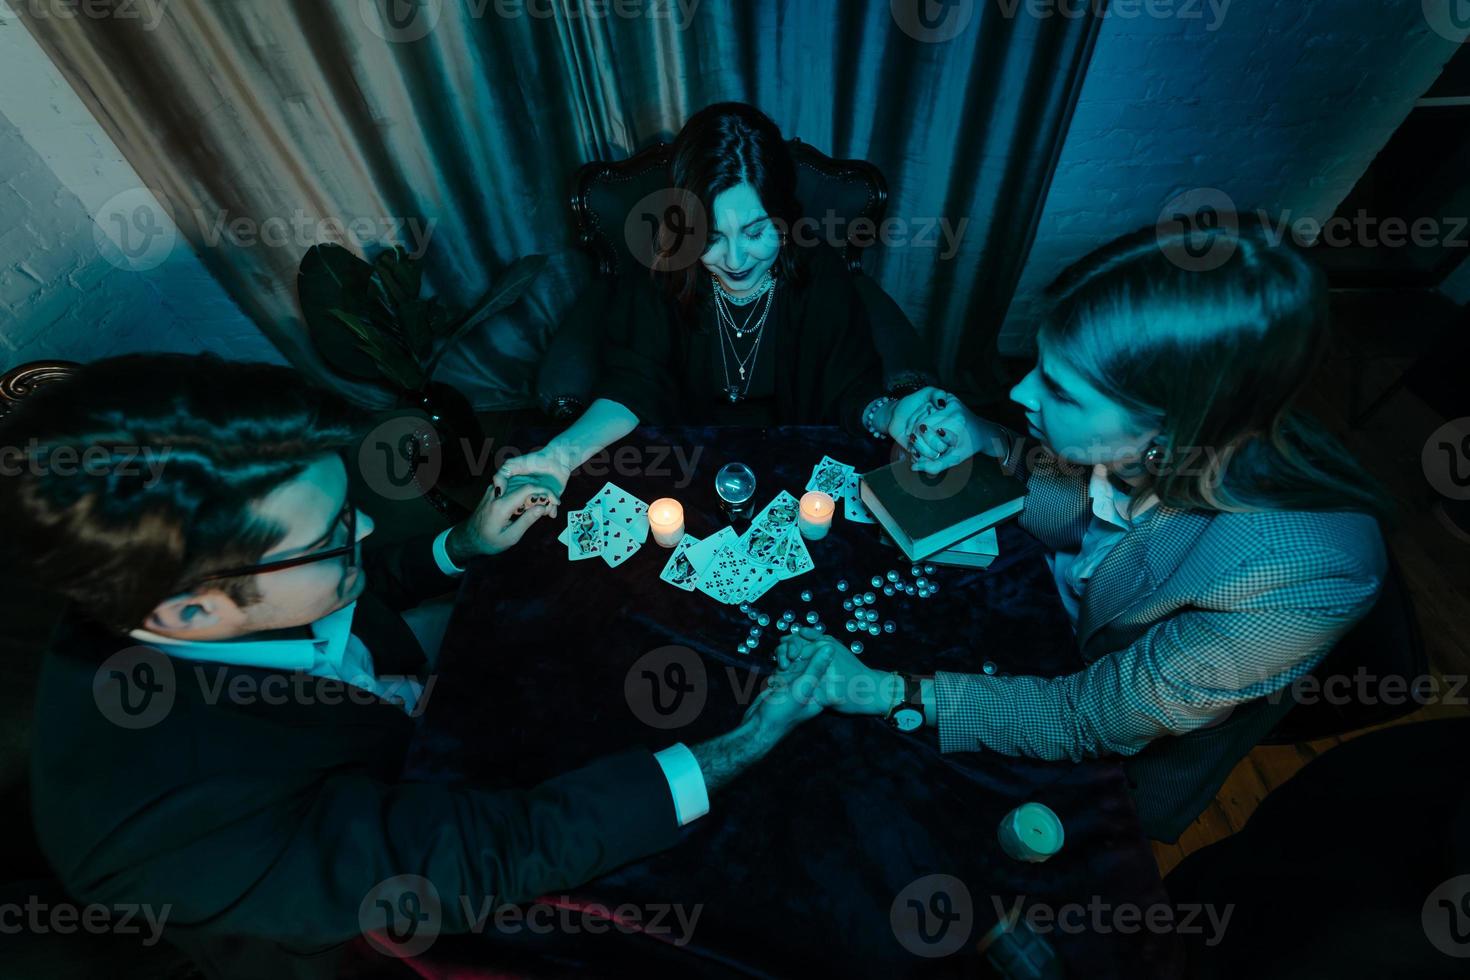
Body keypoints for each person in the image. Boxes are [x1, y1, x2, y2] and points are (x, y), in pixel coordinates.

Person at [4, 354, 835, 980]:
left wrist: (461, 544)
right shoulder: (169, 830)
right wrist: (748, 738)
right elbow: (498, 850)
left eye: (348, 508)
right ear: (187, 614)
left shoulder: (210, 586)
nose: (364, 532)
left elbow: (339, 588)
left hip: (404, 744)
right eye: (332, 535)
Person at [776, 224, 1391, 818]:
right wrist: (986, 436)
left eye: (1062, 392)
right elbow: (1072, 510)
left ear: (1167, 428)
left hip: (1101, 748)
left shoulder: (1305, 574)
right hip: (1038, 619)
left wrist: (886, 692)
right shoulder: (1167, 436)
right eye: (1039, 362)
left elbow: (1087, 717)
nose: (1018, 392)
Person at [494, 102, 944, 498]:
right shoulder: (660, 267)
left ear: (783, 217)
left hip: (795, 458)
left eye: (755, 232)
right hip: (686, 457)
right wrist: (559, 455)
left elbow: (848, 380)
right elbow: (633, 384)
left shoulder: (818, 267)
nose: (735, 260)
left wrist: (890, 415)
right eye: (711, 237)